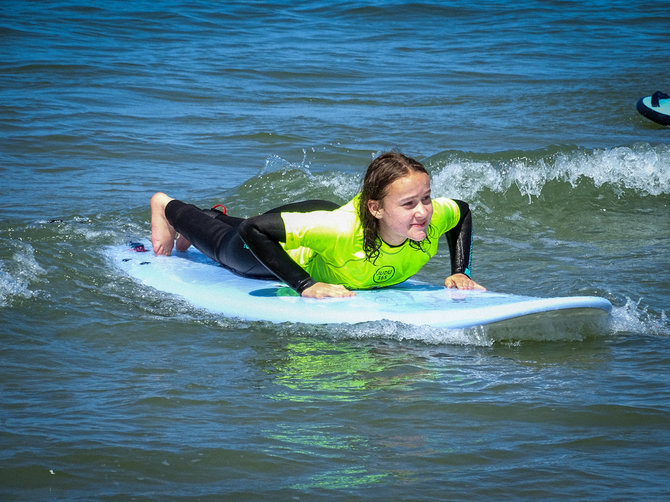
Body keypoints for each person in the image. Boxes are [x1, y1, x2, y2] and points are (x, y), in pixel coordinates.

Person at [150, 152, 485, 299]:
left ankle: (213, 214)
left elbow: (463, 211)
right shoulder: (339, 232)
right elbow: (255, 228)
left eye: (425, 198)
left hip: (321, 220)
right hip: (289, 248)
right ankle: (167, 206)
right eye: (409, 204)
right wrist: (304, 284)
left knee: (242, 229)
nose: (423, 212)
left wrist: (461, 271)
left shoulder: (432, 216)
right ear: (376, 208)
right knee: (228, 246)